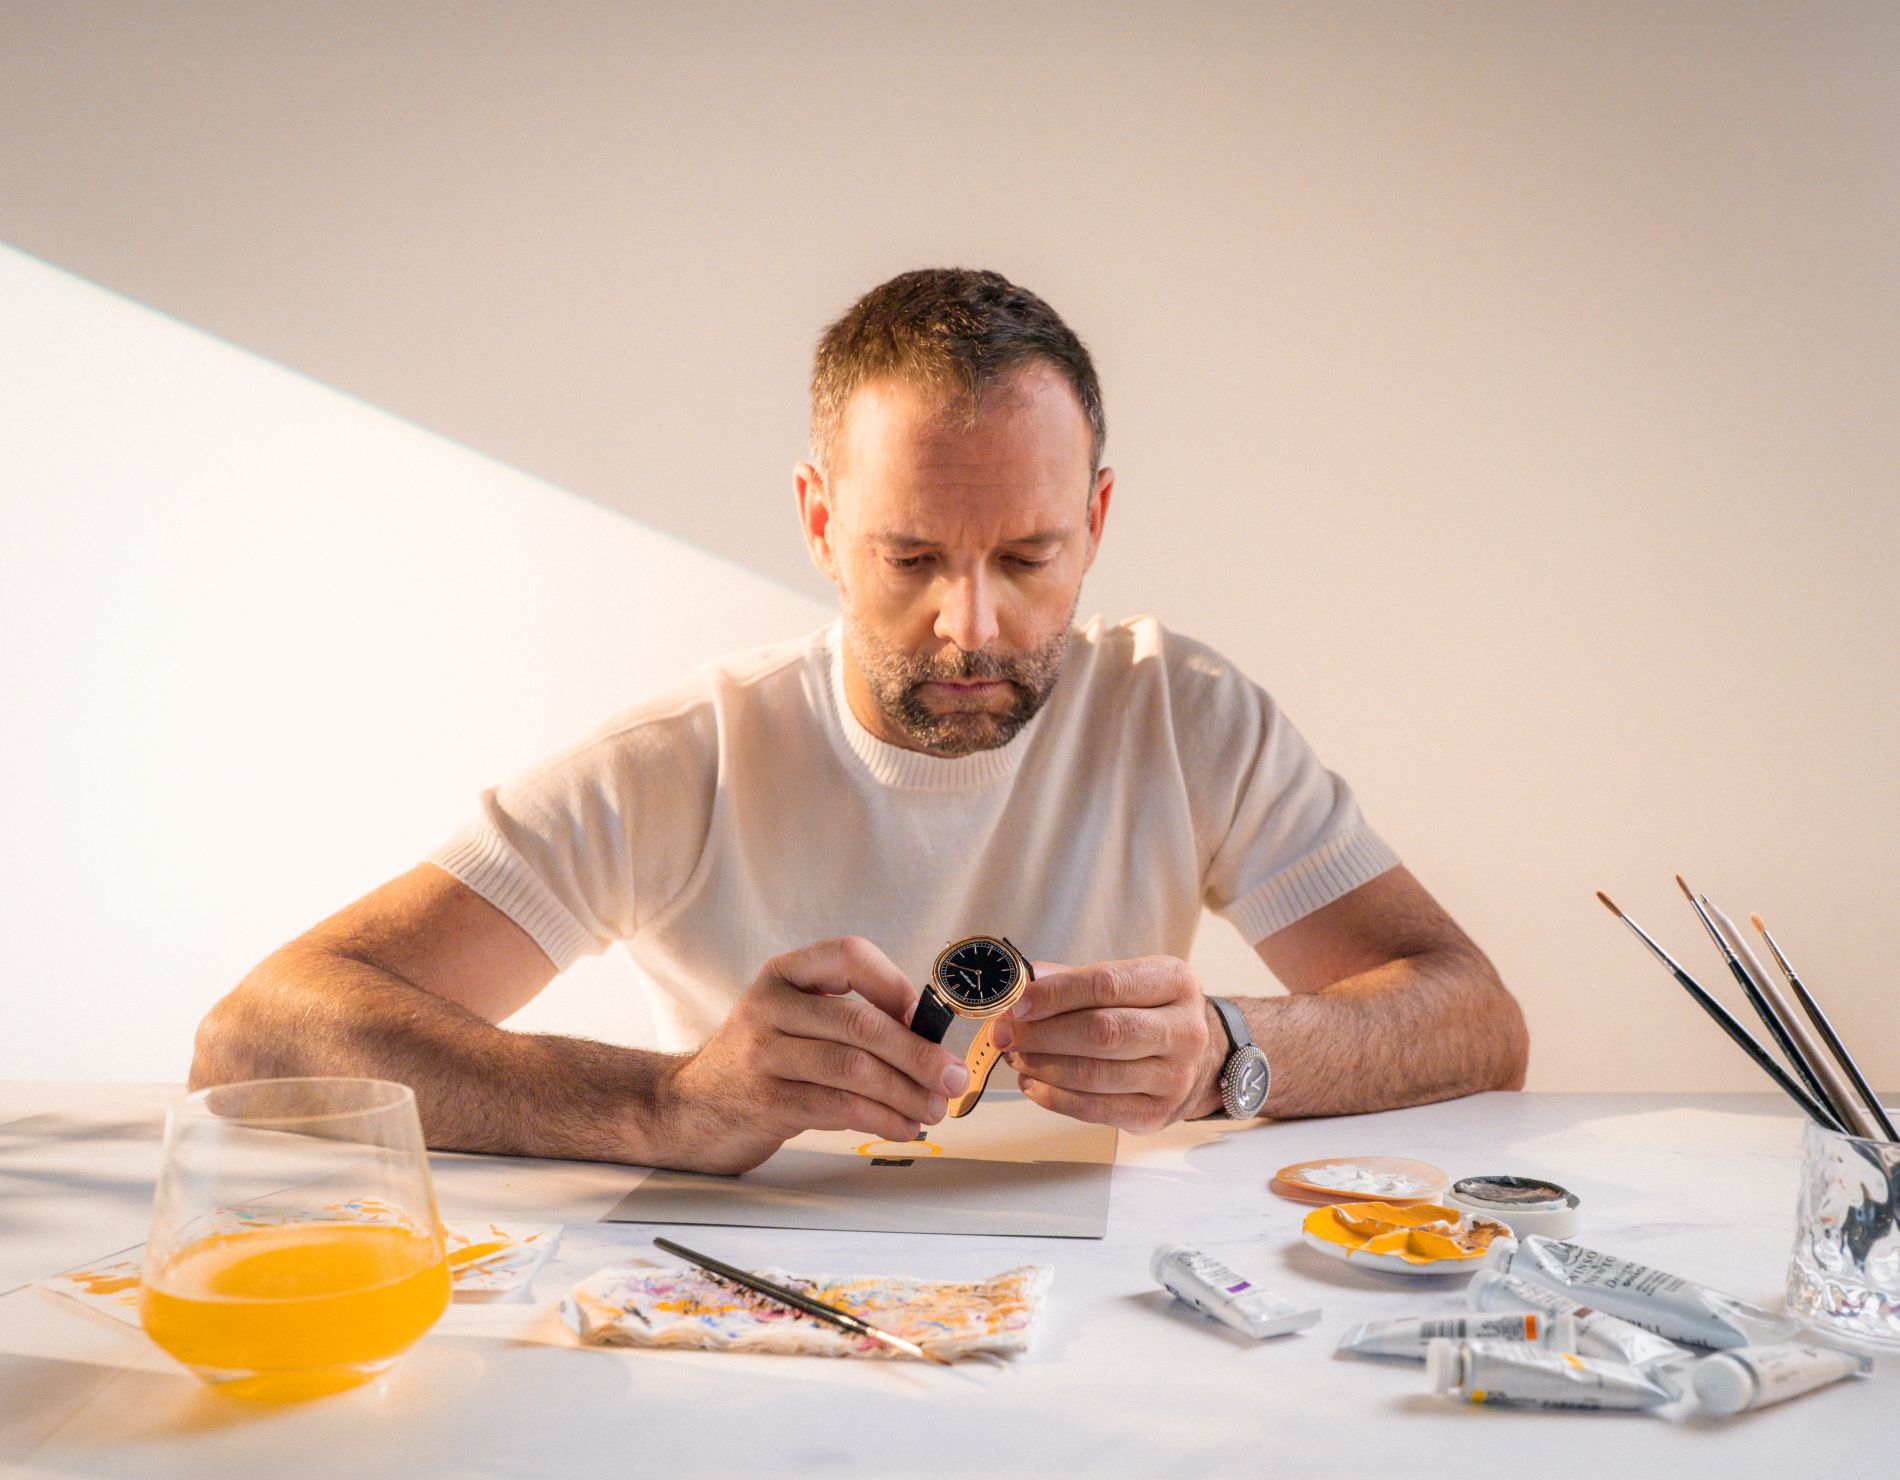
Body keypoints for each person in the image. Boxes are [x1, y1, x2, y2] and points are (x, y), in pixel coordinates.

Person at [192, 268, 1527, 1174]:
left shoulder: (1186, 717)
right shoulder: (687, 761)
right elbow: (255, 1037)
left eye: (1028, 559)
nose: (972, 627)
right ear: (821, 523)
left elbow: (1476, 1018)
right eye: (911, 559)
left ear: (1097, 523)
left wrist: (1230, 1052)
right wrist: (666, 1103)